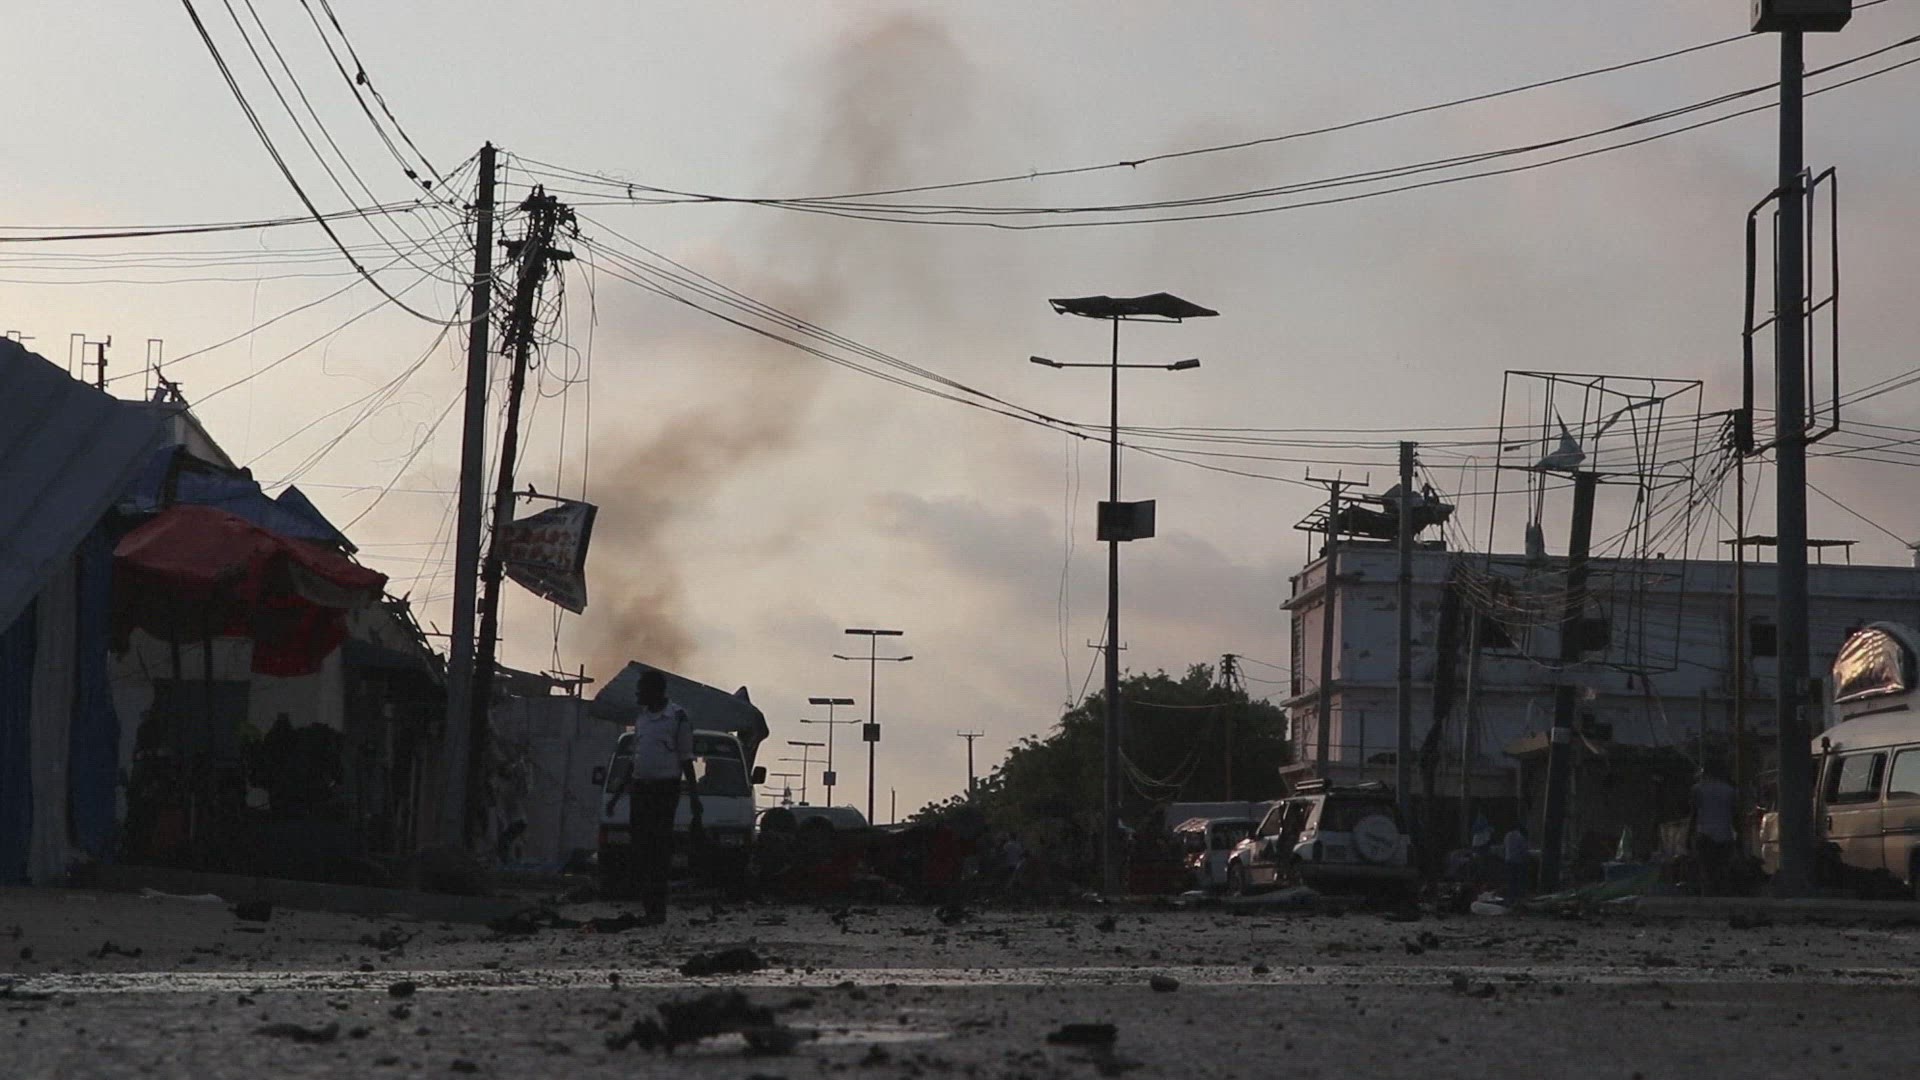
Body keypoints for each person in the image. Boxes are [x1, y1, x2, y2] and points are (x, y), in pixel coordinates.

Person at [605, 669, 700, 925]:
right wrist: (616, 796)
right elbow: (634, 760)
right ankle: (648, 905)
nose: (638, 695)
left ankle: (658, 909)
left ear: (655, 691)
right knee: (641, 848)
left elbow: (686, 759)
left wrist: (694, 797)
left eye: (641, 690)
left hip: (664, 791)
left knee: (659, 849)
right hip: (640, 789)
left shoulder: (677, 717)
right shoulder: (642, 719)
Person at [1688, 762, 1738, 897]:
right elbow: (1735, 816)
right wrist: (1739, 836)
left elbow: (1694, 814)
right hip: (1725, 835)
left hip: (1704, 834)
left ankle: (1708, 898)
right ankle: (1722, 898)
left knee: (1706, 871)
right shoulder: (1730, 791)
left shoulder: (1697, 789)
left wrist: (1688, 836)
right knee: (1722, 871)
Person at [1502, 823, 1531, 904]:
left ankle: (1510, 896)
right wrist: (1526, 859)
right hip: (1518, 861)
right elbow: (1524, 850)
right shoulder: (1520, 837)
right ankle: (1518, 897)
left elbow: (1504, 847)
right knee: (1519, 880)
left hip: (1508, 860)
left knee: (1510, 880)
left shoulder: (1507, 835)